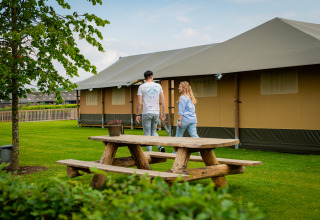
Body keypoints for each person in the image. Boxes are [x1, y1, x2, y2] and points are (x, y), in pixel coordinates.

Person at [136, 70, 166, 152]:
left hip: (146, 112)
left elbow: (139, 102)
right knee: (153, 131)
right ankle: (160, 146)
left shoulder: (141, 87)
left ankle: (149, 154)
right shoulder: (158, 86)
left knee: (147, 134)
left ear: (145, 78)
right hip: (156, 112)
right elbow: (163, 100)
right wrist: (163, 112)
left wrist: (137, 114)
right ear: (152, 76)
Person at [173, 81, 199, 154]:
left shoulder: (182, 98)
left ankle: (175, 154)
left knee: (178, 137)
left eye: (179, 87)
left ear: (184, 88)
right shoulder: (191, 97)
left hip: (184, 119)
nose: (178, 88)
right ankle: (202, 152)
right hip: (193, 120)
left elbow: (181, 111)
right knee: (195, 136)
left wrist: (179, 120)